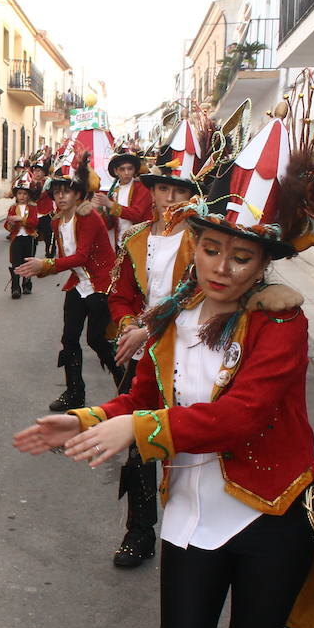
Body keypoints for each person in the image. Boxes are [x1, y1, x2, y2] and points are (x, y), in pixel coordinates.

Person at [13, 112, 314, 628]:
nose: (222, 267)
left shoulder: (282, 327)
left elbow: (243, 417)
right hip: (193, 518)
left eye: (241, 256)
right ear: (196, 242)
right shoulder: (173, 317)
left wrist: (141, 431)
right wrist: (91, 415)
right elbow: (146, 399)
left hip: (272, 520)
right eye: (212, 247)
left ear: (266, 263)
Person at [99, 122, 206, 568]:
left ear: (192, 195)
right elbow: (121, 293)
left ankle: (197, 529)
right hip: (144, 356)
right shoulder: (136, 238)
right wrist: (128, 325)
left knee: (192, 444)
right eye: (163, 189)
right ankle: (139, 532)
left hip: (192, 354)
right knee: (139, 445)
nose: (169, 199)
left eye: (179, 191)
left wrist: (153, 329)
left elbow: (200, 294)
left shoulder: (206, 240)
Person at [16, 152, 121, 411]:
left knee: (97, 339)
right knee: (70, 338)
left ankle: (126, 385)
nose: (61, 196)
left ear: (78, 194)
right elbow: (66, 258)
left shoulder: (88, 216)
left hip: (100, 283)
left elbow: (82, 256)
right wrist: (41, 268)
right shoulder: (57, 222)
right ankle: (75, 393)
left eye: (67, 191)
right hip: (78, 284)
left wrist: (47, 265)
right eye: (57, 191)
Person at [95, 148, 153, 251]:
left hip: (140, 243)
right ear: (116, 171)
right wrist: (100, 209)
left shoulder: (142, 188)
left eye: (130, 168)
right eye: (122, 169)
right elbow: (111, 223)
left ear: (134, 170)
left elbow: (136, 214)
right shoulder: (114, 191)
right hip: (120, 244)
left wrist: (110, 204)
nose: (126, 172)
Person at [4, 173, 41, 299]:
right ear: (16, 195)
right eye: (19, 193)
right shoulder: (12, 208)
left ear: (29, 195)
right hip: (16, 239)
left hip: (29, 238)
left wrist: (21, 219)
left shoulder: (33, 208)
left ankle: (27, 284)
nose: (22, 196)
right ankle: (15, 287)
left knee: (27, 262)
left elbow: (34, 223)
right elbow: (7, 225)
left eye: (25, 194)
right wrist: (10, 223)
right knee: (16, 263)